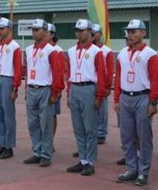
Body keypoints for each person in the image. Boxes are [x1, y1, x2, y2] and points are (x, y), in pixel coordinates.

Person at [114, 19, 158, 186]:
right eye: (129, 31)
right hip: (126, 97)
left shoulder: (150, 54)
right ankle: (132, 168)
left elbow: (155, 79)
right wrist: (117, 98)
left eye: (134, 31)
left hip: (143, 97)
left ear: (143, 33)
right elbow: (118, 77)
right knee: (127, 136)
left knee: (144, 137)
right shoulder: (122, 54)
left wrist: (153, 101)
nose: (131, 34)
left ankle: (143, 172)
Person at [65, 19, 106, 176]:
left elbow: (101, 75)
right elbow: (69, 73)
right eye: (77, 30)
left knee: (90, 128)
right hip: (75, 88)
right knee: (78, 128)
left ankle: (90, 161)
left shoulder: (96, 51)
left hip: (89, 88)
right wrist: (69, 93)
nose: (79, 33)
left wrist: (99, 96)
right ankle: (82, 159)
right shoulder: (71, 51)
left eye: (82, 30)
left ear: (90, 32)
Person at [23, 19, 63, 167]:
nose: (34, 32)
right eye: (33, 29)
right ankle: (37, 151)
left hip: (45, 89)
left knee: (46, 123)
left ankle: (46, 153)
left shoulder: (52, 51)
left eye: (37, 29)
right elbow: (27, 71)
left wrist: (55, 93)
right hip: (32, 88)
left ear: (46, 32)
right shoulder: (28, 49)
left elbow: (58, 73)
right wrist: (27, 87)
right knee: (32, 123)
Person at [0, 18, 22, 159]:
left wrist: (15, 88)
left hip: (8, 79)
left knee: (8, 115)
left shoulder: (15, 46)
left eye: (2, 28)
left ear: (9, 29)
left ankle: (9, 146)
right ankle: (1, 143)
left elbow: (18, 68)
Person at [91, 24, 114, 145]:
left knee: (102, 110)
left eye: (94, 33)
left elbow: (109, 70)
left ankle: (101, 133)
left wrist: (107, 85)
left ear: (100, 34)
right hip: (90, 83)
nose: (92, 36)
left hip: (102, 83)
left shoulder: (106, 51)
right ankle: (92, 132)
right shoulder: (86, 49)